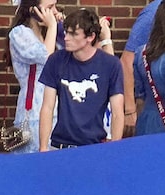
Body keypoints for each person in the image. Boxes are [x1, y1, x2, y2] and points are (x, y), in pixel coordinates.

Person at [37, 5, 118, 142]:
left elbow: (117, 112)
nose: (66, 38)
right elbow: (47, 107)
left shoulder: (110, 64)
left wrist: (114, 149)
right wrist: (43, 147)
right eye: (66, 32)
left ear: (90, 37)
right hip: (61, 144)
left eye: (73, 34)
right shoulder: (56, 60)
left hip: (95, 144)